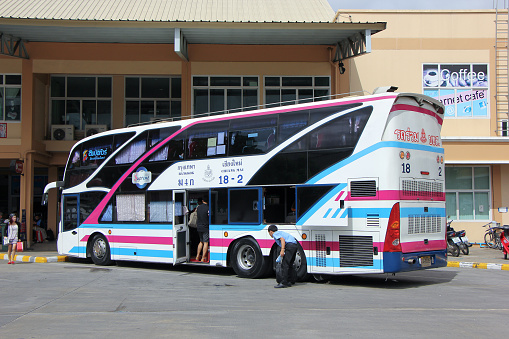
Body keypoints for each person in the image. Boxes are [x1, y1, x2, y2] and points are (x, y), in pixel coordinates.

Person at [195, 197, 209, 262]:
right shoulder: (208, 208)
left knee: (201, 242)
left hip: (199, 227)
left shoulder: (198, 207)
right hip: (205, 227)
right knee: (206, 242)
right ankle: (203, 258)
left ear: (203, 200)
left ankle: (197, 256)